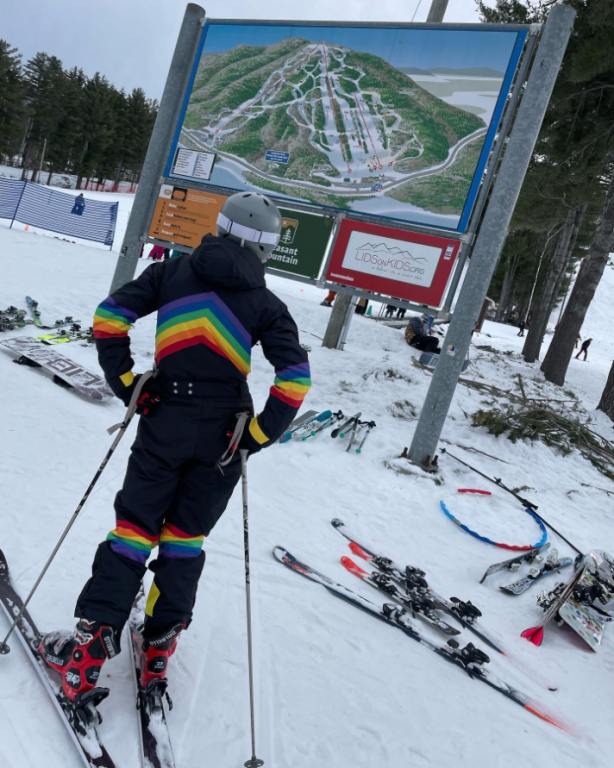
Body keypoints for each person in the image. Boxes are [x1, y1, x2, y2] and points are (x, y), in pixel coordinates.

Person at [38, 192, 311, 712]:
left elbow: (109, 317)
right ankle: (158, 647)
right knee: (185, 539)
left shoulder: (172, 273)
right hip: (224, 437)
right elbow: (295, 378)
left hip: (165, 419)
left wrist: (126, 383)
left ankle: (89, 649)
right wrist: (257, 435)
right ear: (269, 248)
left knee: (134, 529)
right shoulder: (266, 305)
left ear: (220, 226)